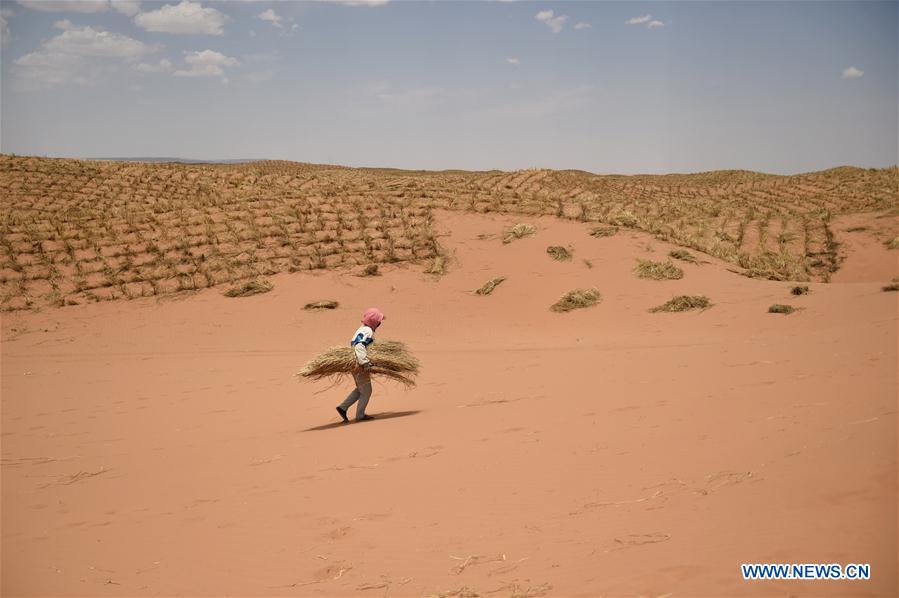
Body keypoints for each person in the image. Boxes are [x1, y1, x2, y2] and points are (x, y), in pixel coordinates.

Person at [336, 307, 385, 422]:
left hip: (355, 363)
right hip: (359, 364)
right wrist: (365, 362)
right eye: (378, 320)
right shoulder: (367, 331)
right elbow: (359, 345)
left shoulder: (362, 329)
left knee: (361, 389)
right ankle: (360, 415)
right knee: (367, 391)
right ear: (373, 321)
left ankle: (343, 407)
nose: (379, 323)